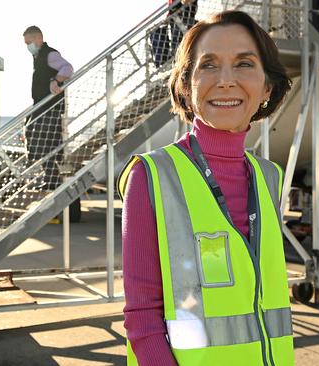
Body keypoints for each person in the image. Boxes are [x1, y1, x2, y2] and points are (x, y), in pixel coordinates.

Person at [118, 11, 294, 365]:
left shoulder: (269, 178)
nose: (226, 81)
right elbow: (142, 319)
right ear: (187, 86)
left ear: (267, 87)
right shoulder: (152, 176)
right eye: (209, 65)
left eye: (244, 63)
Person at [22, 25, 73, 191]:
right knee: (37, 136)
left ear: (39, 39)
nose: (27, 46)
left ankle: (52, 178)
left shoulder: (49, 54)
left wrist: (56, 80)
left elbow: (68, 68)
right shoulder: (38, 56)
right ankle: (50, 176)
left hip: (49, 107)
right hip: (42, 106)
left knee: (44, 141)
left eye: (28, 42)